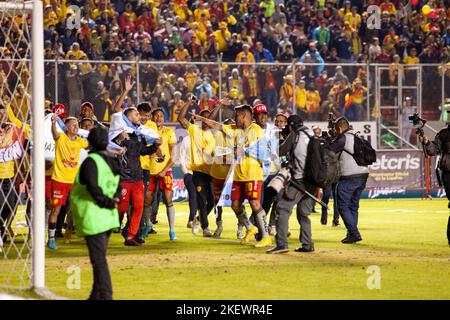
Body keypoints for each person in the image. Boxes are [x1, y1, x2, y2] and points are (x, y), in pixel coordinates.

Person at [191, 104, 272, 248]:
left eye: (237, 116)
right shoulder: (235, 129)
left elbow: (260, 151)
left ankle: (266, 237)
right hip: (238, 176)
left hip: (252, 174)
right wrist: (200, 118)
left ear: (245, 116)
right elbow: (218, 126)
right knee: (235, 205)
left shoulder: (256, 130)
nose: (235, 119)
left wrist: (242, 150)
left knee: (255, 204)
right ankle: (250, 228)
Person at [70, 126, 121, 300]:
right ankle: (95, 295)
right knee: (99, 258)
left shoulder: (91, 161)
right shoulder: (113, 161)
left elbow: (92, 186)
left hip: (94, 216)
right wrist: (112, 201)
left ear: (89, 142)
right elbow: (118, 187)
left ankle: (106, 295)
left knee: (99, 260)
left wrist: (105, 201)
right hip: (108, 217)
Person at [267, 115, 316, 254]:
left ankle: (281, 244)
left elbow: (280, 151)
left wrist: (274, 141)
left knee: (282, 208)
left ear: (290, 126)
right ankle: (307, 244)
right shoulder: (312, 134)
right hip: (313, 181)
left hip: (299, 180)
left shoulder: (295, 135)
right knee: (303, 213)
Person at [47, 115, 88, 250]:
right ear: (66, 127)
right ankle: (51, 238)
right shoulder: (61, 138)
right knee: (56, 209)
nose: (76, 126)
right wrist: (53, 123)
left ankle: (73, 233)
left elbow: (94, 144)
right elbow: (55, 134)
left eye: (77, 124)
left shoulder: (80, 141)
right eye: (73, 124)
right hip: (59, 180)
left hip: (74, 181)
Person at [178, 97, 215, 237]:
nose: (206, 119)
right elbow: (180, 117)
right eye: (203, 117)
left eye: (208, 117)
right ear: (199, 120)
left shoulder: (212, 136)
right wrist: (188, 102)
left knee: (212, 201)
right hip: (198, 171)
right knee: (201, 198)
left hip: (210, 172)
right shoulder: (194, 131)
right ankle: (206, 228)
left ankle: (198, 219)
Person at [329, 117, 369, 244]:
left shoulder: (343, 138)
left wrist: (329, 140)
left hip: (349, 176)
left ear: (340, 128)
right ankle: (351, 234)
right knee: (353, 206)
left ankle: (354, 233)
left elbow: (329, 151)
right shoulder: (357, 136)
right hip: (363, 174)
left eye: (336, 129)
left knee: (342, 206)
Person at [146, 108, 178, 240]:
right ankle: (147, 225)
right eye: (156, 116)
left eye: (161, 116)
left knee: (168, 199)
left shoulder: (169, 132)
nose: (159, 118)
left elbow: (174, 155)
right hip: (149, 171)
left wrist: (165, 170)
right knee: (147, 201)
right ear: (152, 117)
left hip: (166, 172)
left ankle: (172, 230)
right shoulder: (146, 131)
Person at [421, 121, 450, 245]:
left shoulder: (443, 134)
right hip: (449, 173)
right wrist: (426, 142)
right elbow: (433, 151)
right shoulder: (443, 134)